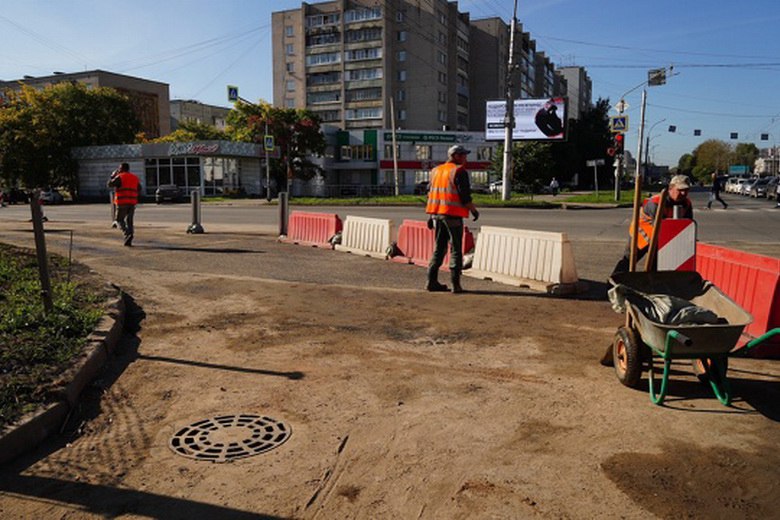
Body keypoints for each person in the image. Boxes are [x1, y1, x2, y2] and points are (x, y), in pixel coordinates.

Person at [611, 174, 693, 275]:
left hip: (659, 238)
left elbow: (687, 225)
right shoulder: (656, 202)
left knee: (656, 264)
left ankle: (650, 285)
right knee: (628, 260)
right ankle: (613, 282)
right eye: (680, 190)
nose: (683, 193)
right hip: (641, 234)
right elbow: (661, 227)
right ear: (670, 188)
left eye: (686, 190)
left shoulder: (687, 203)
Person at [425, 144, 480, 293]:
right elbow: (464, 196)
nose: (465, 158)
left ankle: (431, 282)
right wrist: (473, 210)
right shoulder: (459, 171)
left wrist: (431, 216)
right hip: (452, 215)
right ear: (455, 156)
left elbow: (431, 194)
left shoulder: (436, 171)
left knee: (439, 248)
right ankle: (456, 285)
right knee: (456, 249)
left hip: (437, 215)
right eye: (463, 155)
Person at [107, 163, 140, 246]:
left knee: (119, 220)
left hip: (122, 202)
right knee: (130, 221)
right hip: (132, 202)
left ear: (121, 169)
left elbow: (109, 184)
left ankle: (127, 233)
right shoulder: (134, 177)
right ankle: (130, 235)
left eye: (119, 168)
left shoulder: (120, 177)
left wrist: (112, 176)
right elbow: (139, 188)